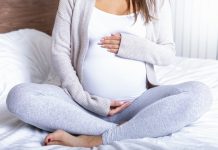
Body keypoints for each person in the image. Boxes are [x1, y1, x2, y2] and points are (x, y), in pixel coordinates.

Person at [6, 0, 213, 148]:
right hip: (81, 106)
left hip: (138, 103)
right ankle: (126, 129)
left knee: (200, 94)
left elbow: (167, 54)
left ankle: (95, 138)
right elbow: (60, 52)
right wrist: (85, 100)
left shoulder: (154, 2)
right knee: (19, 97)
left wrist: (131, 45)